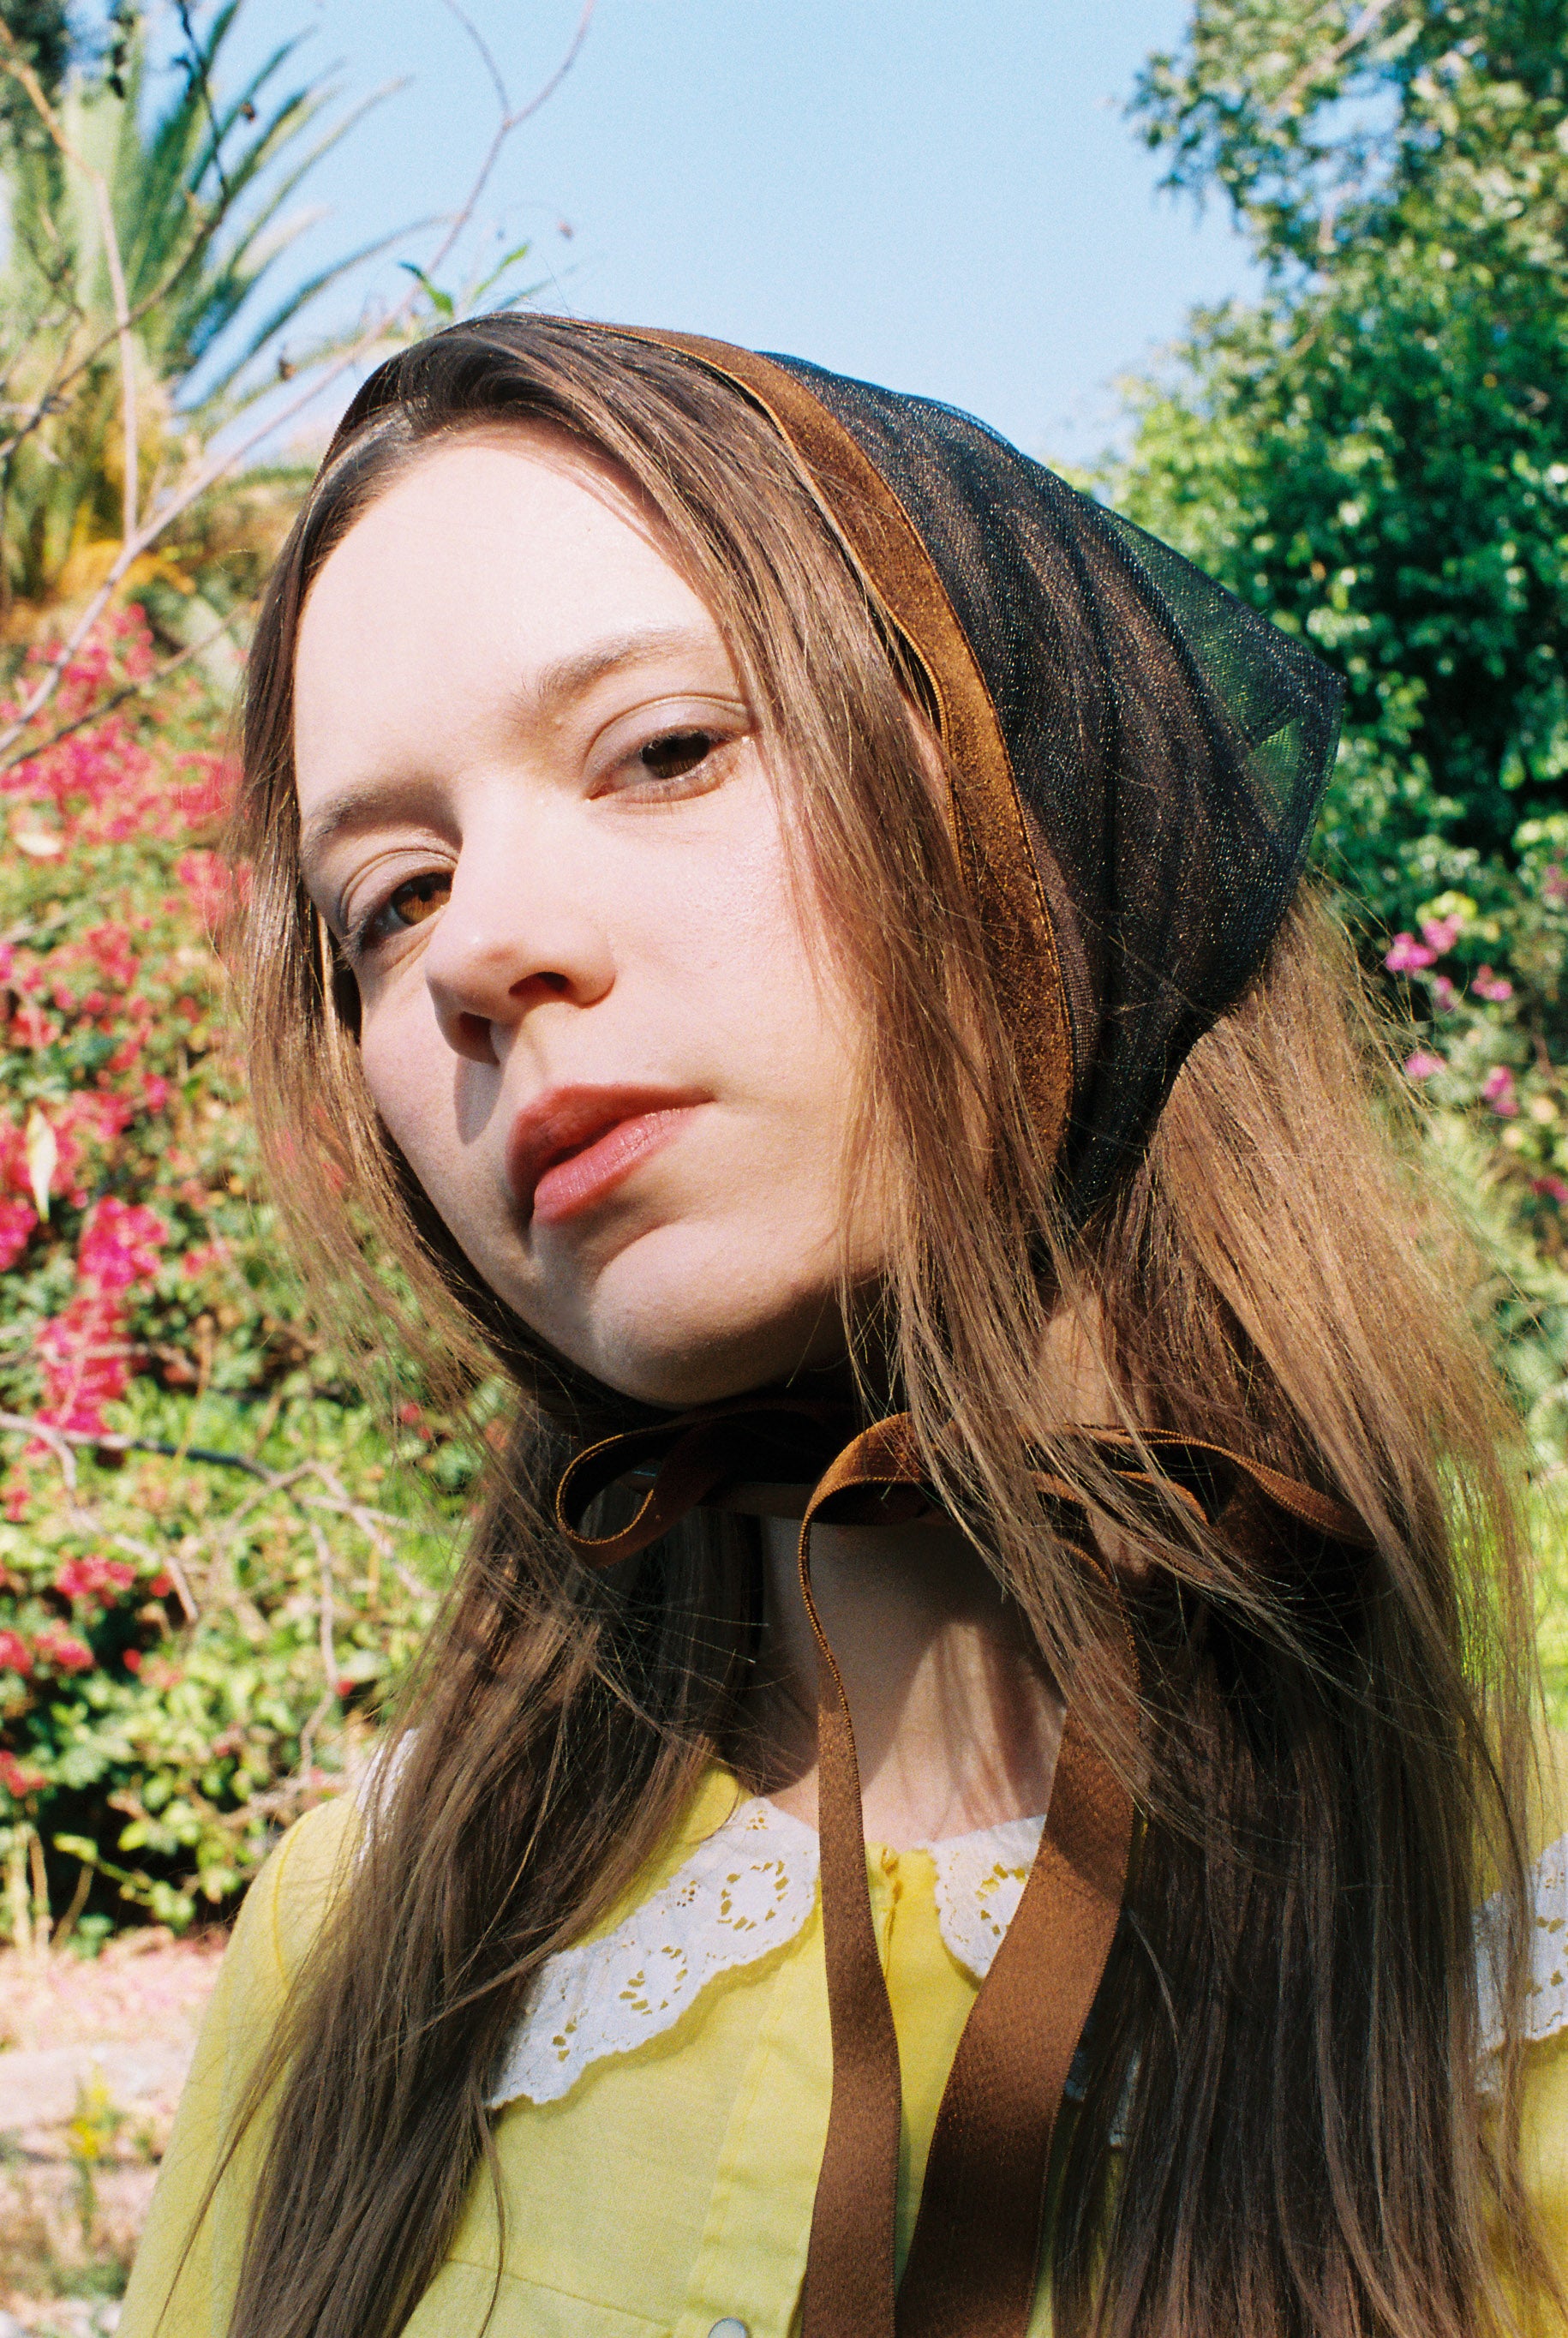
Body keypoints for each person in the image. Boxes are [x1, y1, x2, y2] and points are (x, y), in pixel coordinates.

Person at [119, 315, 1568, 2338]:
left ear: (1056, 809)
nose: (482, 950)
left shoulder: (1517, 1934)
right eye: (392, 894)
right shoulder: (352, 1947)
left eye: (667, 750)